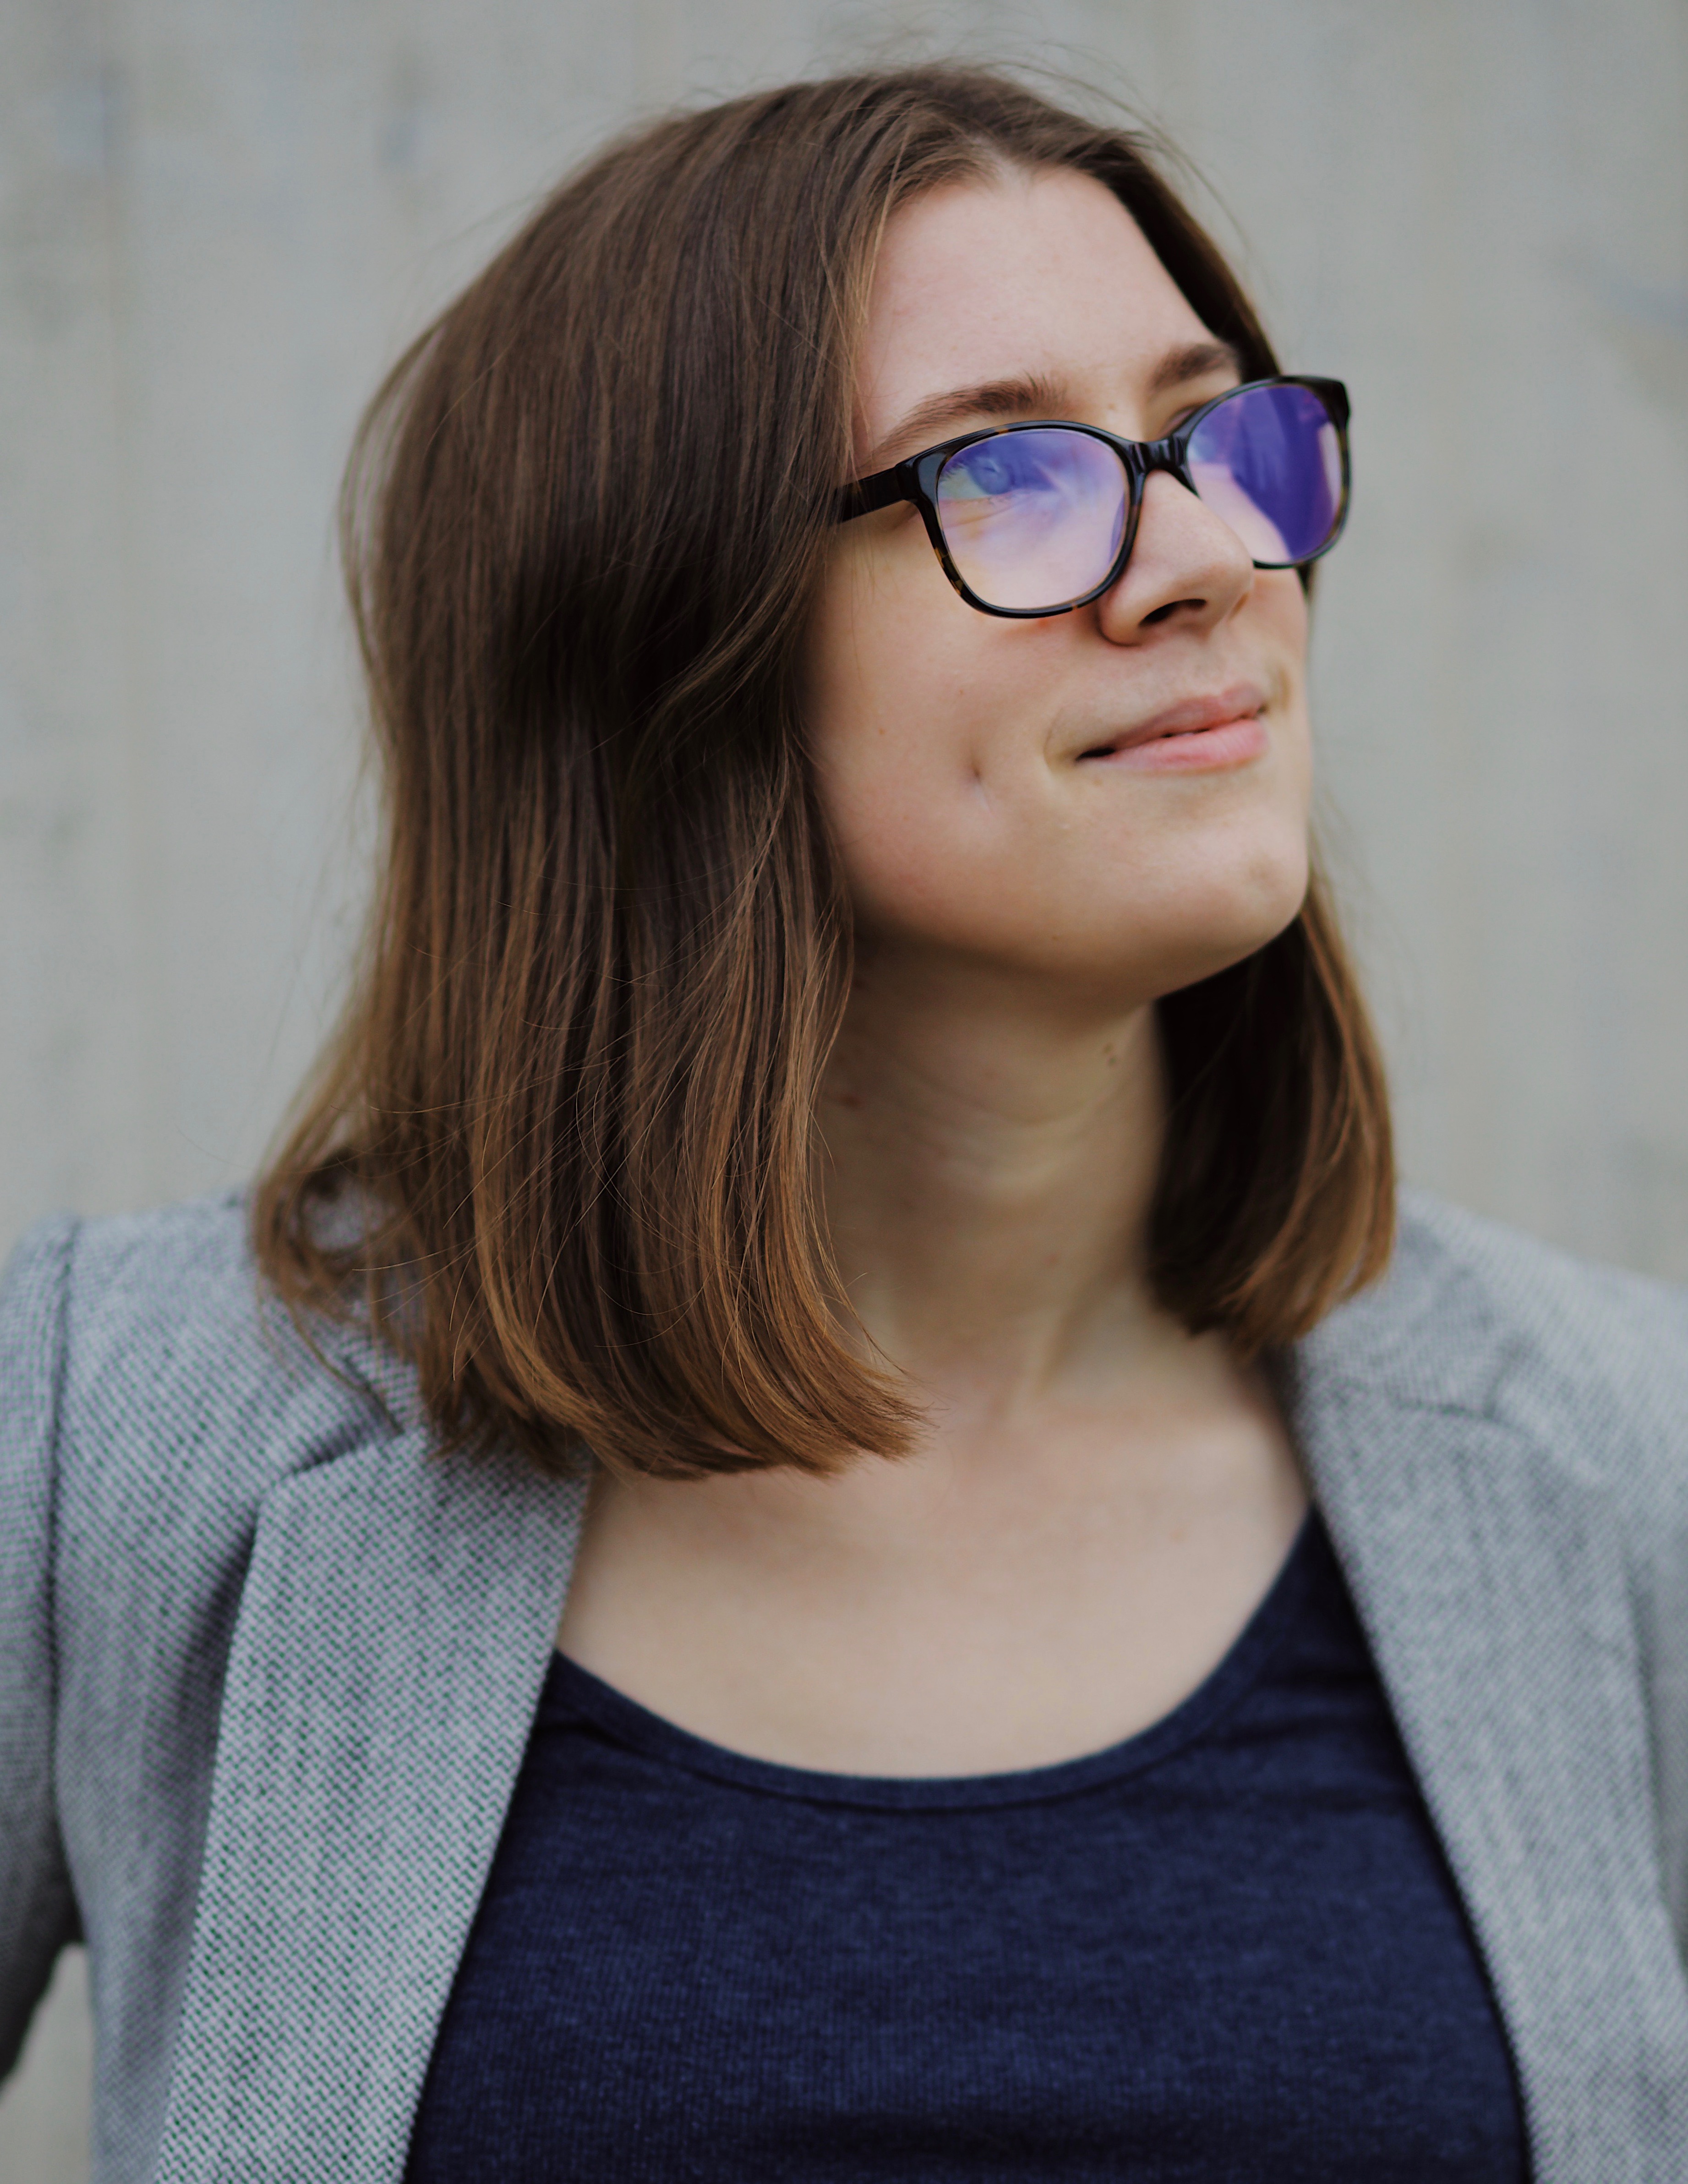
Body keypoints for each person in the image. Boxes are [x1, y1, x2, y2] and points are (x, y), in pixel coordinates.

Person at [3, 63, 1686, 2184]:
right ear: (652, 644)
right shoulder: (105, 1440)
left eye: (1212, 431)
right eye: (1006, 474)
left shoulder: (1621, 1459)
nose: (1203, 562)